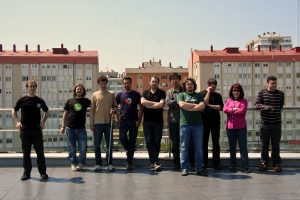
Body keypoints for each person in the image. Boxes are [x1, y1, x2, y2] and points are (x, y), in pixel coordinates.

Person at [12, 80, 49, 181]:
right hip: (25, 130)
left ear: (36, 88)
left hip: (37, 130)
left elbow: (46, 111)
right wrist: (17, 121)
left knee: (40, 152)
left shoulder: (40, 100)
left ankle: (43, 173)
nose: (32, 88)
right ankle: (26, 173)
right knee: (26, 153)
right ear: (27, 88)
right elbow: (14, 110)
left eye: (34, 86)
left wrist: (43, 121)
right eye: (30, 86)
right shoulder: (22, 100)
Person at [177, 78, 206, 176]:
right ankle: (184, 168)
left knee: (198, 147)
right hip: (185, 124)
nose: (190, 86)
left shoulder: (199, 95)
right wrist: (195, 106)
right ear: (185, 86)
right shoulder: (181, 95)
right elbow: (181, 105)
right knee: (184, 147)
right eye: (188, 84)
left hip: (198, 125)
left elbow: (202, 106)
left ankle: (199, 168)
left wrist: (188, 107)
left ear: (194, 85)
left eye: (191, 84)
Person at [255, 75, 284, 173]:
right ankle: (264, 162)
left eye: (275, 83)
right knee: (264, 144)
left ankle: (276, 163)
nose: (274, 85)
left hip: (277, 123)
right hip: (265, 123)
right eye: (272, 83)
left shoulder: (280, 94)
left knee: (276, 145)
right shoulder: (261, 93)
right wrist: (267, 108)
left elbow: (281, 105)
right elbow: (257, 105)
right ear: (267, 83)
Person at [60, 84, 91, 171]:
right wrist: (63, 126)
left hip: (81, 128)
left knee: (83, 147)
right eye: (77, 89)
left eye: (81, 89)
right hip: (70, 128)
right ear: (75, 91)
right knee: (71, 148)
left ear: (83, 91)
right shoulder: (70, 101)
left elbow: (96, 107)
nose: (79, 90)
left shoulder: (86, 101)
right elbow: (65, 114)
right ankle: (73, 163)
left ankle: (81, 163)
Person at [90, 76, 117, 172]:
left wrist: (114, 110)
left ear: (106, 83)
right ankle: (98, 164)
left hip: (108, 123)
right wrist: (91, 123)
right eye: (101, 83)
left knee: (109, 145)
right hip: (97, 123)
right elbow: (92, 110)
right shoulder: (94, 95)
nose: (103, 85)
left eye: (104, 83)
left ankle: (109, 163)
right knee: (97, 145)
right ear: (99, 84)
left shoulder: (111, 94)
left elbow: (115, 107)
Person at [116, 76, 143, 170]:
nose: (126, 84)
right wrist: (117, 119)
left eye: (128, 83)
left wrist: (139, 121)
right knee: (122, 138)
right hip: (123, 121)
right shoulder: (119, 95)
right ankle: (128, 149)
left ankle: (129, 162)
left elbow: (141, 108)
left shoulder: (136, 94)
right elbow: (115, 107)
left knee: (132, 141)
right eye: (125, 83)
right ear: (123, 84)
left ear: (131, 84)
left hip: (133, 121)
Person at [223, 83, 250, 173]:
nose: (236, 92)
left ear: (240, 92)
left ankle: (245, 167)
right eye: (234, 90)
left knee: (243, 147)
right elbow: (224, 110)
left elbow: (242, 112)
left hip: (241, 127)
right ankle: (232, 166)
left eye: (237, 90)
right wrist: (234, 109)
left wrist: (230, 111)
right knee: (232, 147)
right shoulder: (228, 100)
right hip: (230, 127)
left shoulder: (244, 101)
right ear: (232, 91)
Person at [141, 76, 166, 172]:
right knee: (148, 141)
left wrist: (149, 104)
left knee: (157, 141)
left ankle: (154, 162)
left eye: (156, 81)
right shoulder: (145, 92)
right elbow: (143, 102)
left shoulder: (162, 92)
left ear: (158, 83)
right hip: (147, 121)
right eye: (152, 81)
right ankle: (154, 162)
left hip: (158, 121)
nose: (154, 83)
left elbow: (161, 105)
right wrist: (155, 104)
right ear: (149, 82)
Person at [200, 78, 223, 170]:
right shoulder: (201, 94)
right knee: (204, 143)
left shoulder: (218, 95)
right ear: (208, 85)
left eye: (215, 87)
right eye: (212, 87)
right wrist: (208, 93)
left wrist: (209, 106)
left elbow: (220, 107)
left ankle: (216, 163)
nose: (213, 88)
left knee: (216, 143)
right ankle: (204, 163)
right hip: (204, 122)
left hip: (215, 122)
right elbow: (203, 104)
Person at [166, 73, 183, 170]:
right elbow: (168, 102)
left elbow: (186, 102)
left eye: (176, 78)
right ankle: (176, 163)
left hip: (184, 121)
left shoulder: (184, 90)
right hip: (173, 121)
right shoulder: (169, 92)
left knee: (185, 143)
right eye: (173, 79)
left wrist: (175, 102)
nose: (175, 80)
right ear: (171, 81)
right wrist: (180, 102)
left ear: (179, 80)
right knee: (175, 143)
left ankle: (186, 162)